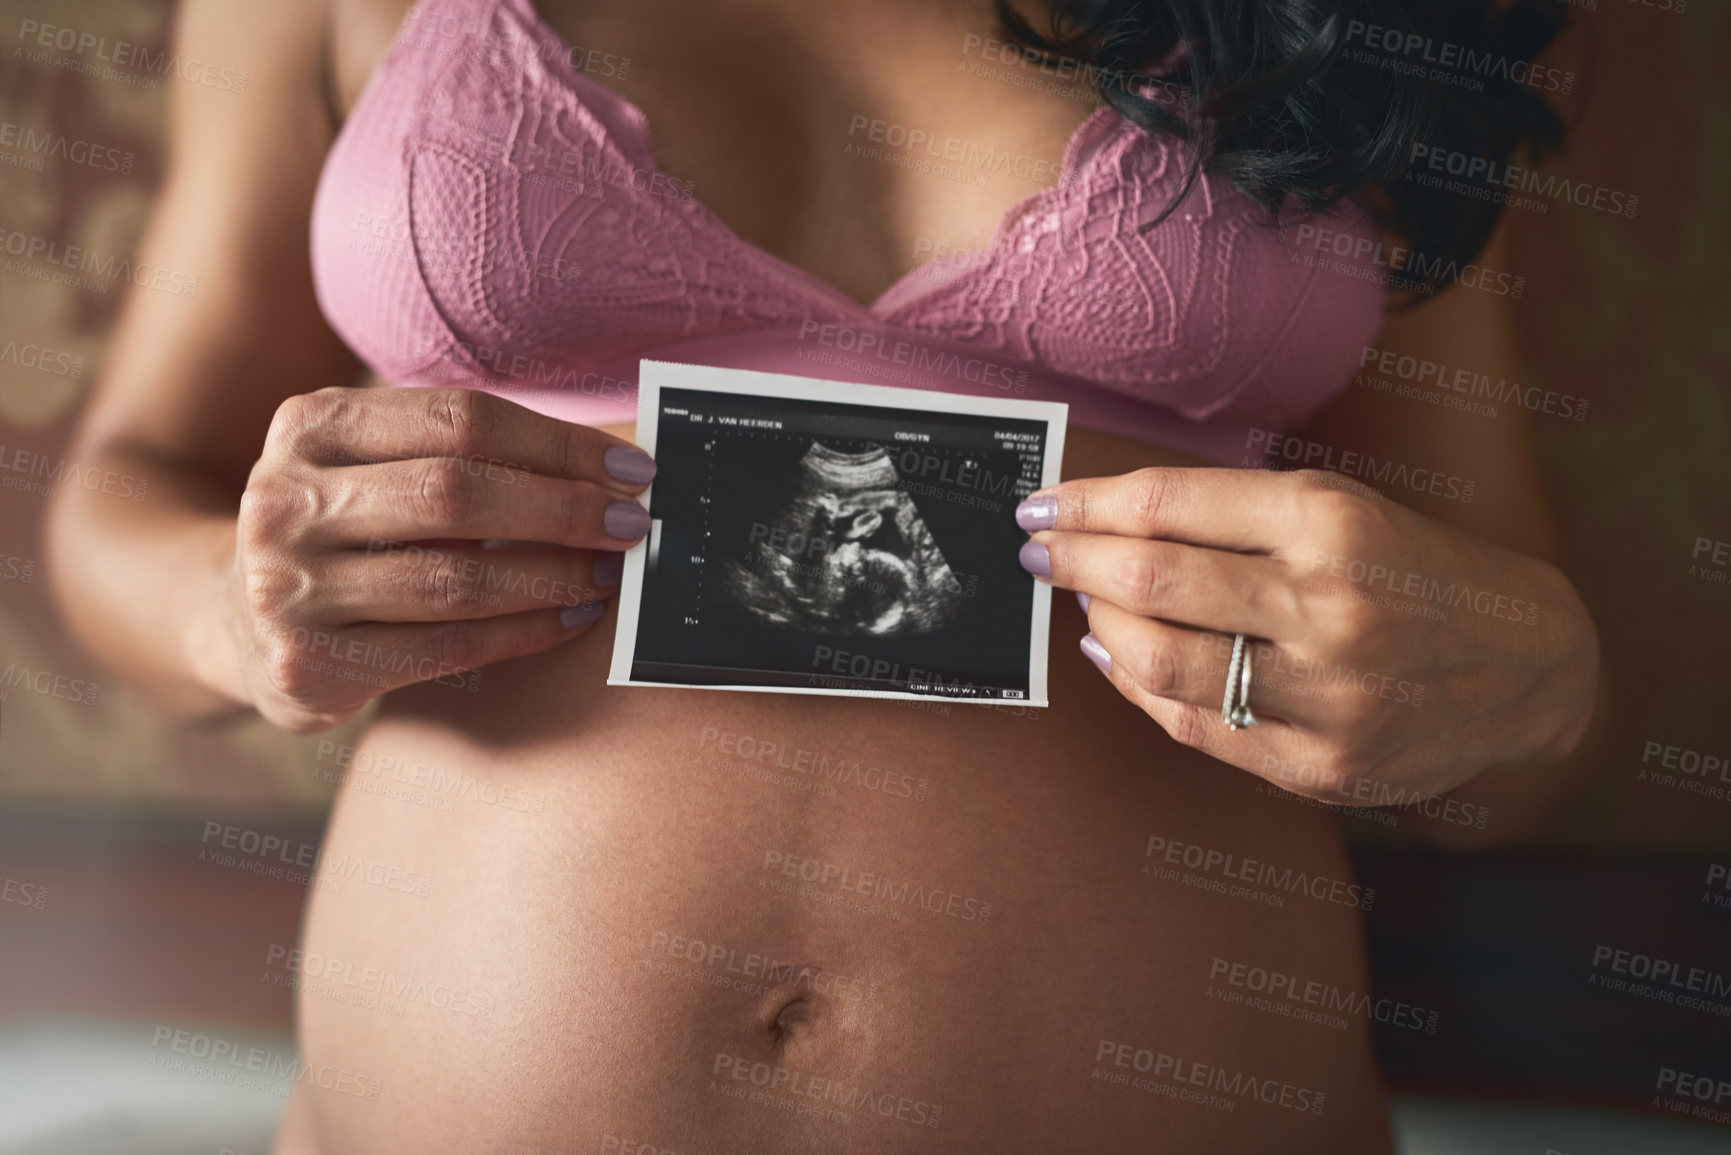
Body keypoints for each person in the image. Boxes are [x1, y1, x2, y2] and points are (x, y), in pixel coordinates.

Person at [47, 0, 1600, 1150]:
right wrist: (231, 608)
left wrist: (1533, 677)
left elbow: (1501, 733)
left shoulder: (1384, 24)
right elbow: (127, 496)